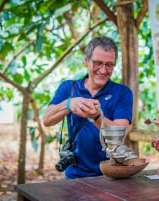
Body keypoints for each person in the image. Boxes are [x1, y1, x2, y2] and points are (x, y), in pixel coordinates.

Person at [43, 36, 133, 178]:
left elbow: (118, 135)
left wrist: (96, 116)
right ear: (86, 60)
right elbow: (47, 120)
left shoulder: (122, 93)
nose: (103, 71)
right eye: (97, 63)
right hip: (74, 174)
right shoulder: (69, 88)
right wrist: (68, 104)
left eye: (109, 65)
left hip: (110, 174)